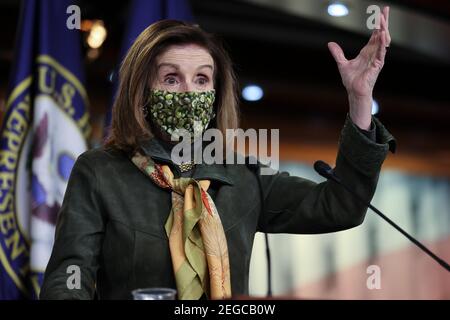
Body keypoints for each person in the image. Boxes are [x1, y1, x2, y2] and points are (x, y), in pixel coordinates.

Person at [40, 7, 396, 300]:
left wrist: (359, 100)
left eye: (201, 80)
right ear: (142, 91)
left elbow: (340, 206)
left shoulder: (245, 176)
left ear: (215, 95)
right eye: (170, 78)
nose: (188, 92)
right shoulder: (100, 172)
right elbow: (66, 284)